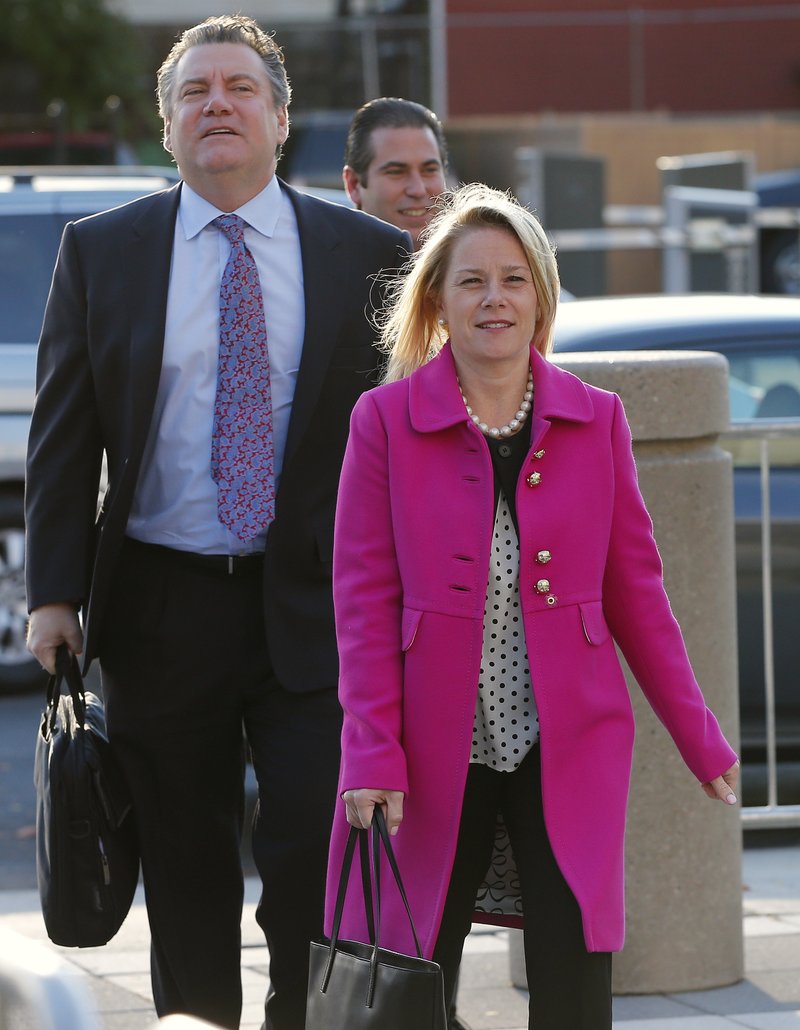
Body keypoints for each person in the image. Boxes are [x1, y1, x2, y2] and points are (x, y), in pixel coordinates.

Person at [25, 14, 409, 1030]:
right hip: (160, 607)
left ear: (281, 120)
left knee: (306, 864)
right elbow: (64, 437)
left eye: (240, 88)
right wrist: (54, 594)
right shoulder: (101, 252)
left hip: (316, 613)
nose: (217, 106)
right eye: (194, 93)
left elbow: (406, 440)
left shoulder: (366, 254)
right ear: (166, 128)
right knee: (187, 873)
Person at [324, 183, 740, 1029]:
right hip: (431, 743)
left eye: (514, 279)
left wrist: (701, 739)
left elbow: (640, 595)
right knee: (411, 968)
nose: (494, 299)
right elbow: (362, 604)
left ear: (541, 297)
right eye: (472, 280)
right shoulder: (385, 421)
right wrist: (371, 749)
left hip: (567, 740)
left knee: (575, 964)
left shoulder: (599, 420)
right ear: (437, 298)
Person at [343, 97, 447, 250]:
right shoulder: (317, 270)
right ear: (354, 185)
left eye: (429, 170)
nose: (418, 190)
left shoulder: (479, 265)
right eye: (397, 172)